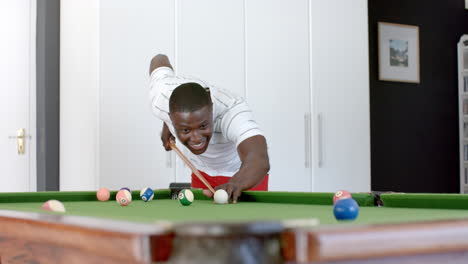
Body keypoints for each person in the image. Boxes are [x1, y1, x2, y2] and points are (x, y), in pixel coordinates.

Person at [149, 54, 269, 203]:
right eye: (185, 130)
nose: (196, 138)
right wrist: (167, 124)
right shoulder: (160, 97)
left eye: (203, 126)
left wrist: (236, 183)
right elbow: (159, 59)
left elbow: (258, 159)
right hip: (201, 172)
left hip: (243, 174)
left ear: (212, 110)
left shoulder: (231, 111)